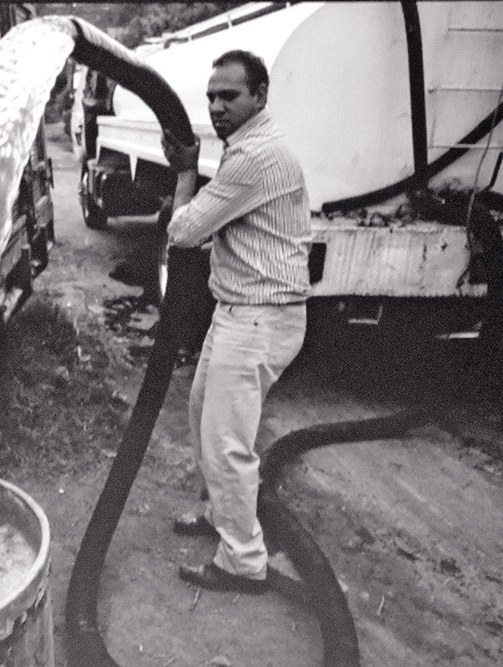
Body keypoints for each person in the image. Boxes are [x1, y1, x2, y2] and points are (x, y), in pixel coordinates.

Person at [161, 50, 311, 594]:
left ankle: (243, 561)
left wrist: (183, 172)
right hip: (242, 313)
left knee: (227, 442)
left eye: (230, 96)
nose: (218, 106)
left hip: (257, 319)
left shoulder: (255, 158)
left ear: (260, 96)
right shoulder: (247, 148)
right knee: (206, 413)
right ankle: (221, 515)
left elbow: (186, 231)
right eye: (212, 97)